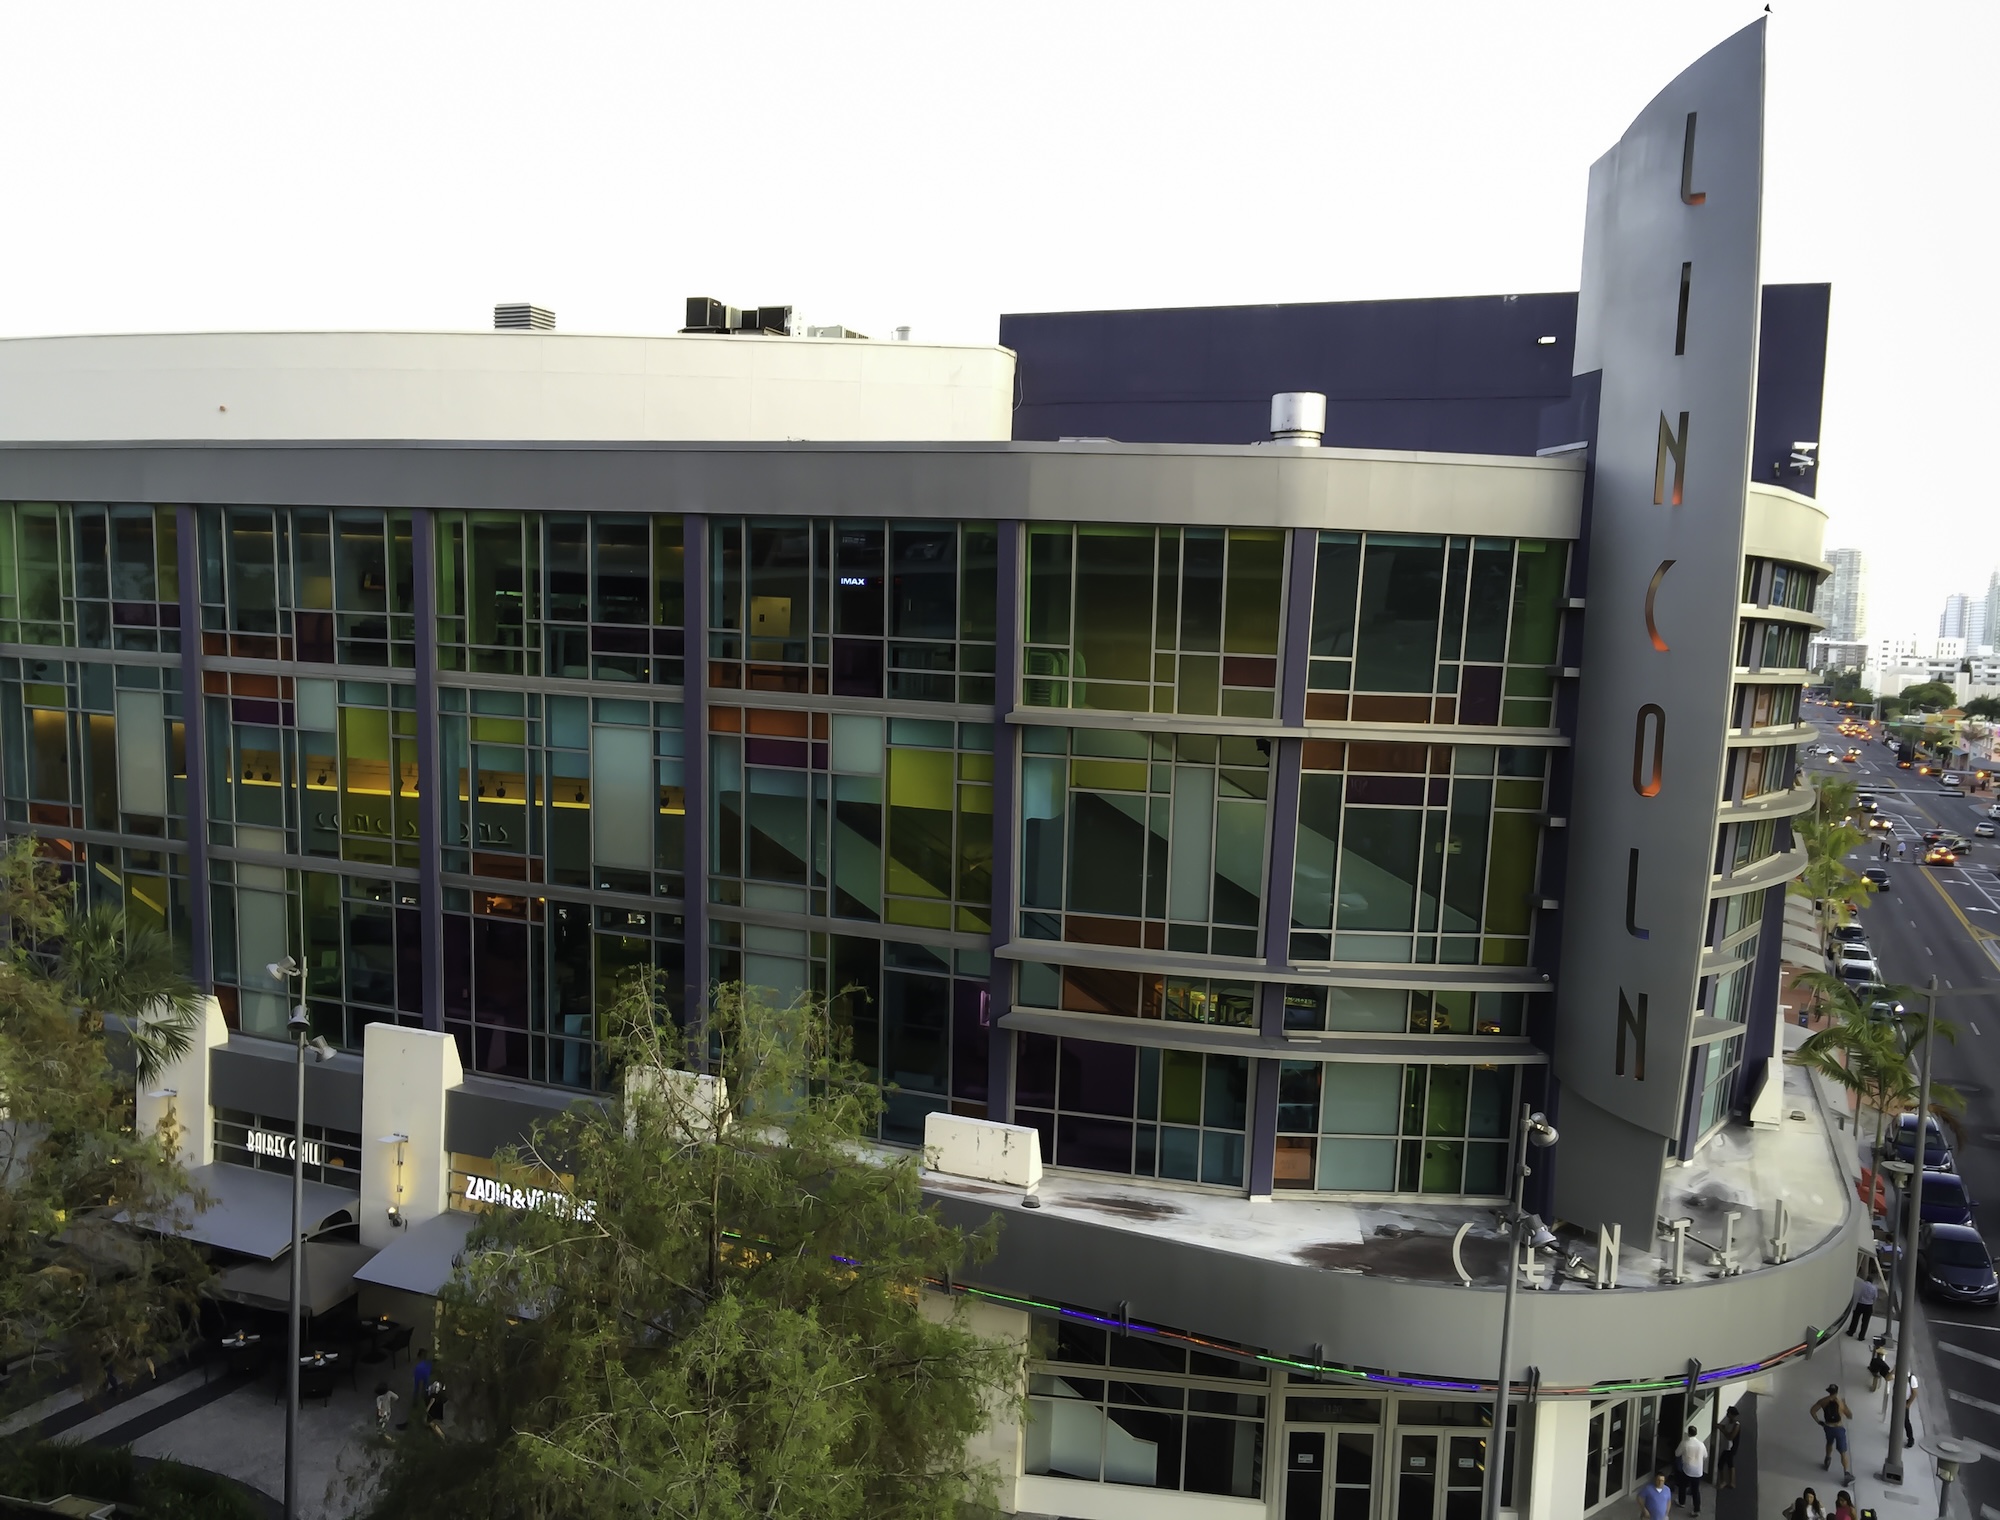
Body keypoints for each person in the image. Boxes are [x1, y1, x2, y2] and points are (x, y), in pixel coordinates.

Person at [1811, 1384, 1854, 1484]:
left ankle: (1827, 1459)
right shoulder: (1840, 1403)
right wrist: (1845, 1404)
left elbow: (1812, 1411)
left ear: (1828, 1391)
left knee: (1829, 1443)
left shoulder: (1823, 1401)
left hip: (1828, 1427)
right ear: (1837, 1392)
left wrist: (1818, 1421)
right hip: (1838, 1428)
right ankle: (1846, 1473)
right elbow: (1850, 1416)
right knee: (1843, 1452)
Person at [1673, 1424, 1707, 1513]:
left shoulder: (1685, 1443)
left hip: (1687, 1469)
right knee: (1696, 1491)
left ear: (1688, 1433)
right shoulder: (1701, 1444)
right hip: (1698, 1471)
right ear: (1696, 1433)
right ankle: (1696, 1509)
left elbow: (1677, 1453)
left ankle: (1682, 1502)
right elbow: (1705, 1456)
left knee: (1682, 1486)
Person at [403, 1347, 431, 1431]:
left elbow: (417, 1384)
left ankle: (417, 1408)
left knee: (418, 1393)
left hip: (423, 1383)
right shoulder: (430, 1364)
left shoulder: (419, 1368)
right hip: (429, 1384)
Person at [1715, 1406, 1742, 1490]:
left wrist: (1721, 1430)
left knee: (1721, 1464)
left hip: (1730, 1448)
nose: (1727, 1414)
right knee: (1730, 1463)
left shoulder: (1736, 1425)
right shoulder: (1728, 1421)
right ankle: (1732, 1482)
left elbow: (1730, 1437)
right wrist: (1720, 1426)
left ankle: (1723, 1481)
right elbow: (1725, 1427)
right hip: (1727, 1446)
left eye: (1728, 1412)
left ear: (1732, 1414)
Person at [1847, 1274, 1879, 1339]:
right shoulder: (1874, 1288)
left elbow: (1857, 1294)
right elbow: (1875, 1297)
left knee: (1855, 1319)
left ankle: (1851, 1331)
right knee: (1865, 1322)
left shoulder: (1862, 1285)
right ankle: (1861, 1336)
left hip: (1860, 1303)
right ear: (1872, 1281)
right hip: (1869, 1305)